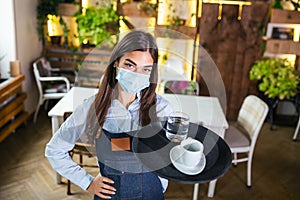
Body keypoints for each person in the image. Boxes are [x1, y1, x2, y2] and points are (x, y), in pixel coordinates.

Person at [45, 30, 173, 200]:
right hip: (110, 195)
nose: (136, 74)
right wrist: (88, 182)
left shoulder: (162, 109)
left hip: (151, 193)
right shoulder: (92, 107)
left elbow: (169, 155)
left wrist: (159, 185)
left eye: (145, 69)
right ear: (116, 63)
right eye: (129, 65)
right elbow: (55, 150)